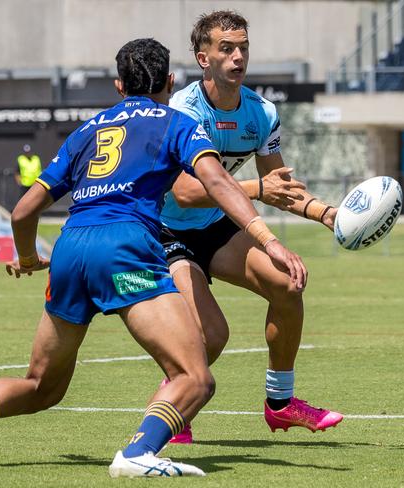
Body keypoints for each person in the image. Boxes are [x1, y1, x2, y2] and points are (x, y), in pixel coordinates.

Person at [0, 38, 305, 478]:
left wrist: (28, 256)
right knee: (193, 377)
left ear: (119, 85)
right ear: (170, 80)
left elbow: (23, 211)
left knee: (41, 386)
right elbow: (217, 184)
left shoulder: (88, 130)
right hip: (124, 247)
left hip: (70, 248)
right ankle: (139, 453)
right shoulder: (175, 121)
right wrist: (267, 239)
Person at [159, 10, 343, 444]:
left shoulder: (262, 113)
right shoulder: (183, 110)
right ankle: (171, 412)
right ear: (204, 58)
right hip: (167, 232)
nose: (238, 56)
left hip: (216, 227)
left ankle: (280, 404)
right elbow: (185, 192)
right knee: (211, 336)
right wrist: (256, 188)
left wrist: (327, 214)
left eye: (243, 47)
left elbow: (280, 185)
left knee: (287, 283)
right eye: (226, 48)